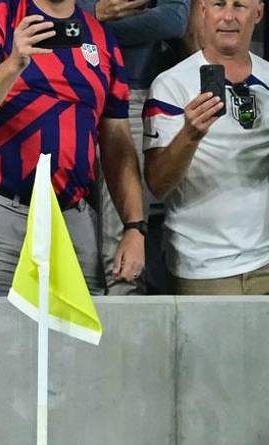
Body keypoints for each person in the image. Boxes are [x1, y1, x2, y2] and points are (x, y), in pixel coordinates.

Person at [0, 0, 146, 296]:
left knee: (80, 327)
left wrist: (134, 227)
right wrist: (13, 64)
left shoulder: (102, 38)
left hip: (71, 218)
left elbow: (117, 144)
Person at [144, 0, 269, 294]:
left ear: (258, 12)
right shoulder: (171, 86)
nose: (228, 16)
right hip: (197, 269)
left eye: (239, 5)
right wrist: (189, 135)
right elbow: (157, 185)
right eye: (218, 4)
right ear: (203, 11)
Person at [80, 0, 189, 294]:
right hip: (61, 90)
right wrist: (92, 14)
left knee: (123, 242)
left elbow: (174, 18)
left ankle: (123, 321)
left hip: (132, 91)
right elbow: (32, 15)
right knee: (63, 229)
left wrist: (79, 26)